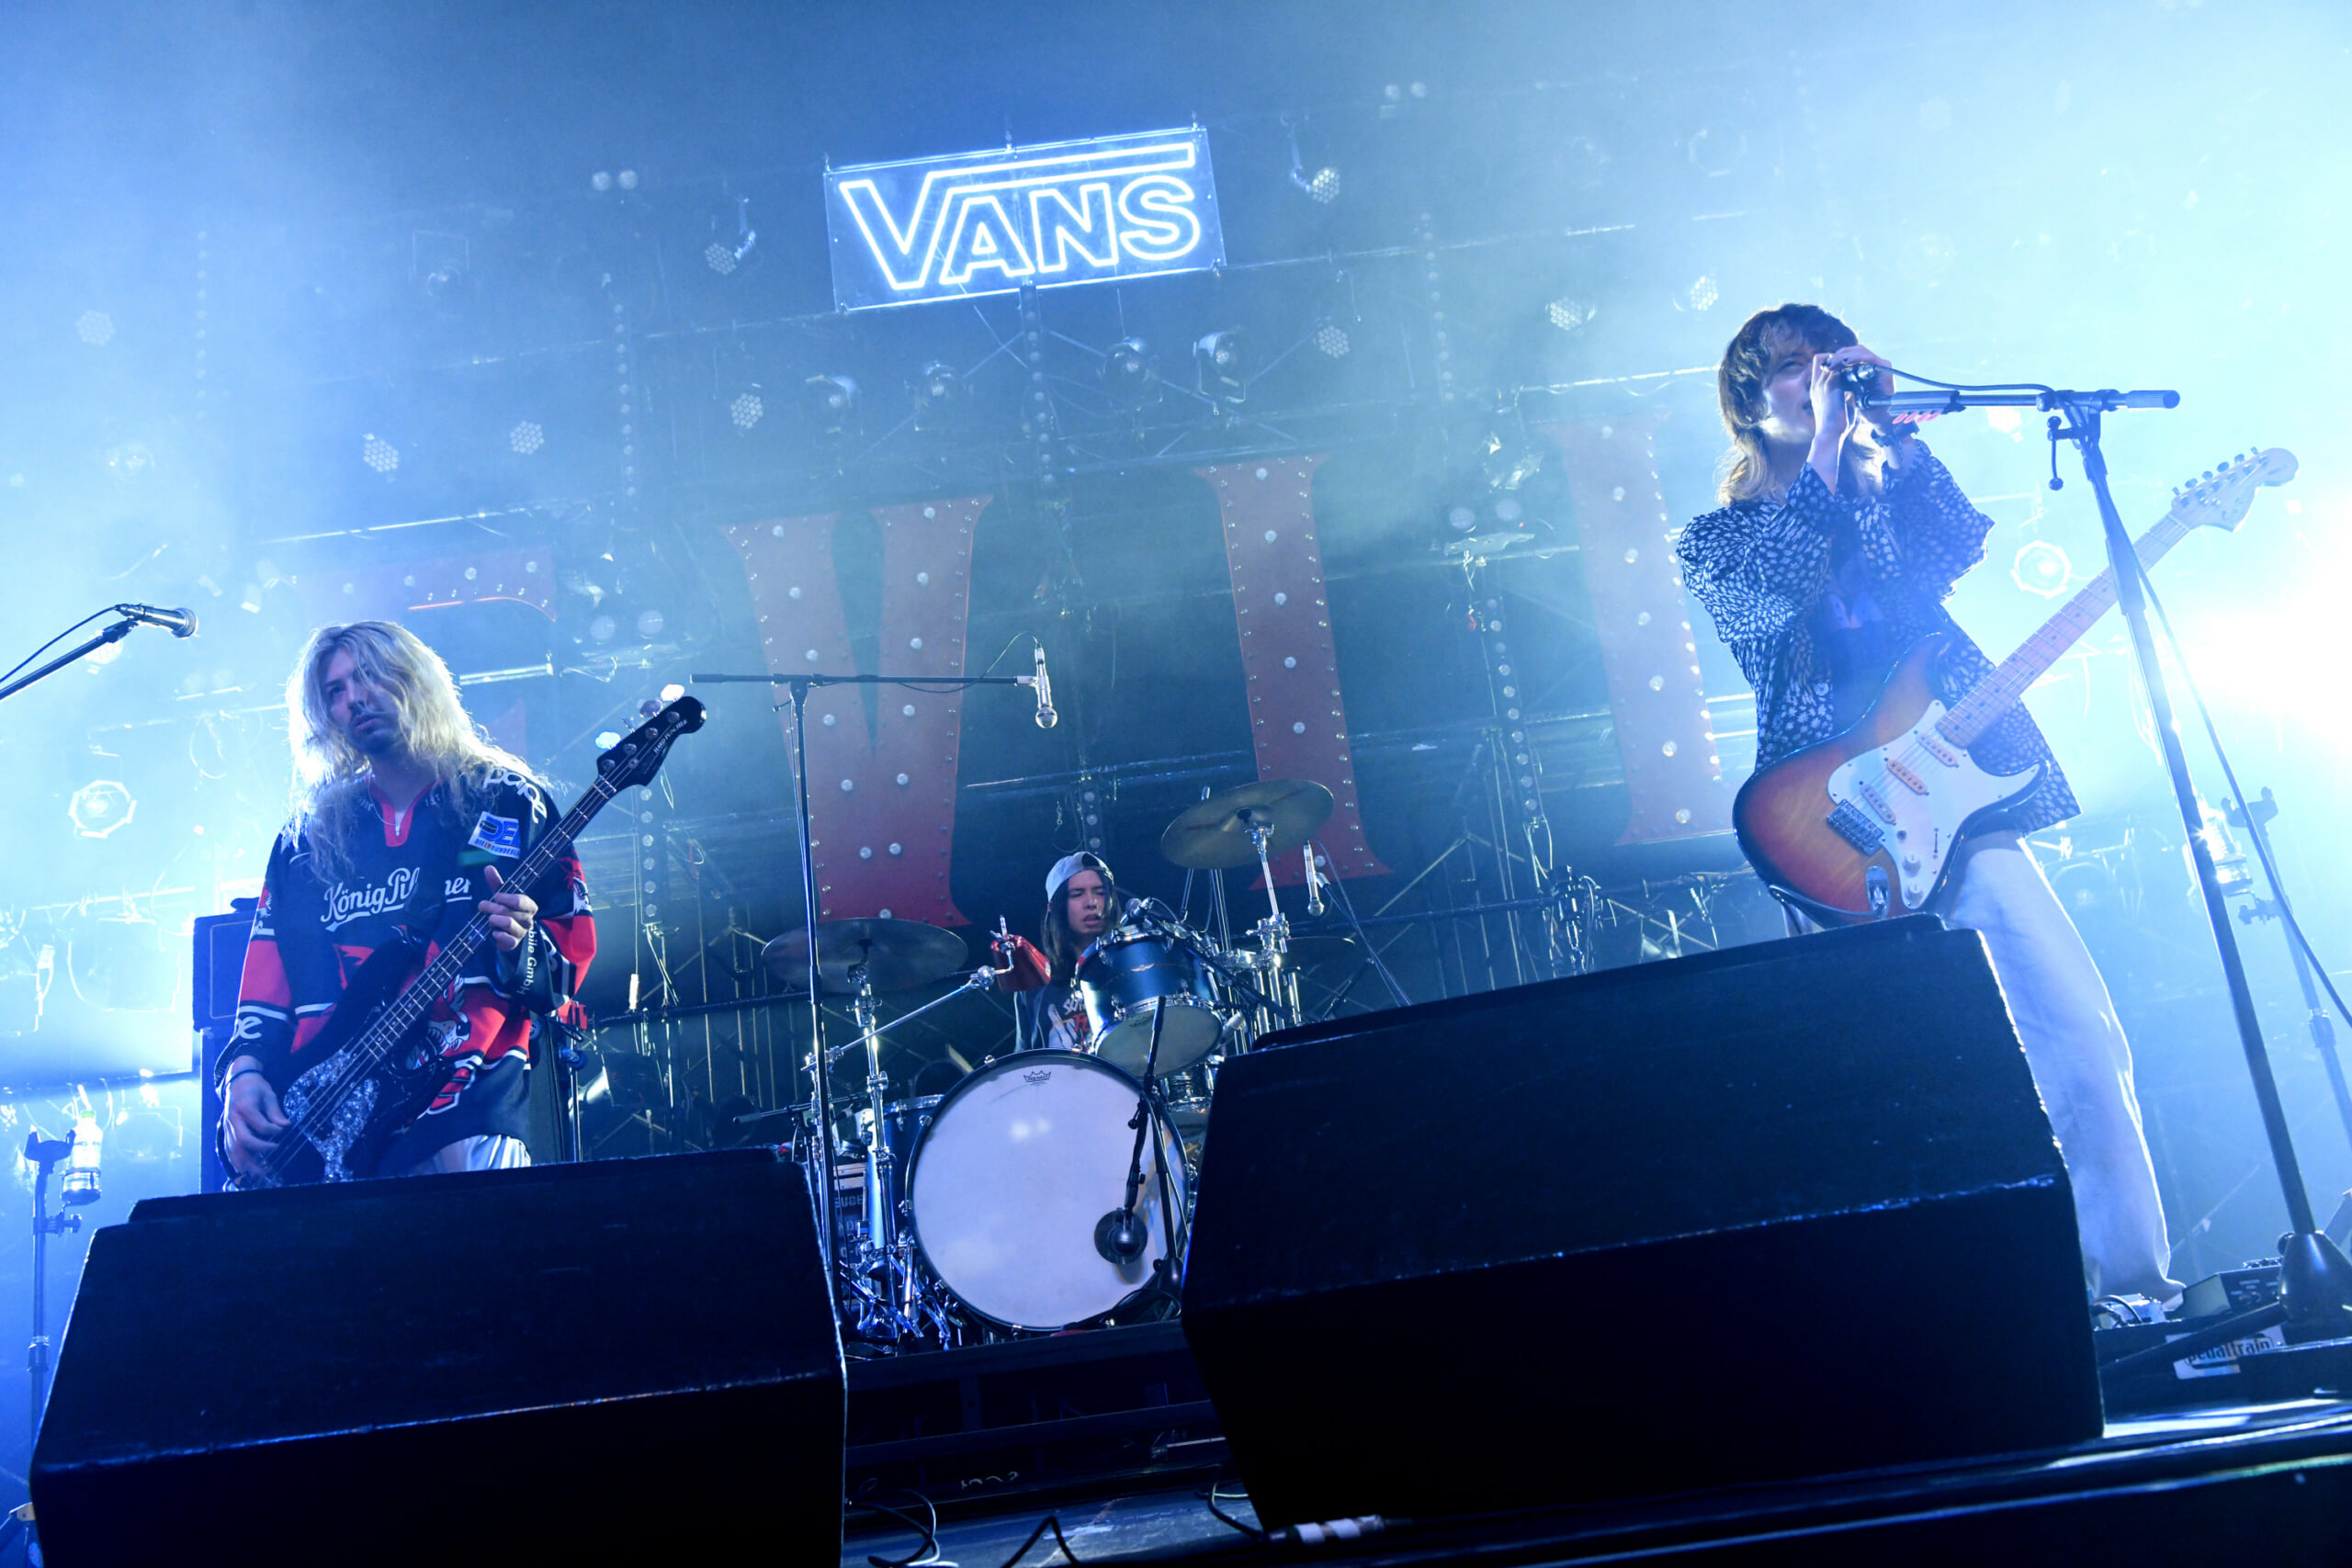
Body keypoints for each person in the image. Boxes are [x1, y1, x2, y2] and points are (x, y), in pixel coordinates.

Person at [1676, 302, 2179, 1303]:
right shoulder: (1715, 541)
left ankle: (2128, 1287)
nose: (1818, 376)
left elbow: (1951, 542)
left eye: (1829, 359)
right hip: (1830, 824)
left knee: (2077, 1038)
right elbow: (1780, 590)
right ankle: (1957, 1311)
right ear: (1746, 403)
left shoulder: (1878, 490)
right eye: (1792, 366)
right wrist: (1828, 443)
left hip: (1959, 797)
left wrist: (1889, 435)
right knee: (1903, 1083)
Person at [218, 621, 594, 1180]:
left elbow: (570, 957)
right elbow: (266, 980)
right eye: (335, 691)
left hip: (466, 1100)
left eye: (368, 676)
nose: (353, 699)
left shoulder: (506, 801)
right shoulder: (306, 840)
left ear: (416, 679)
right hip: (329, 1121)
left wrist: (520, 946)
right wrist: (244, 1072)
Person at [990, 852, 1119, 1053]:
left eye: (1100, 892)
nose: (1091, 902)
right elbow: (1025, 1058)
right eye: (1077, 894)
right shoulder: (1034, 982)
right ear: (1055, 906)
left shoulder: (1129, 967)